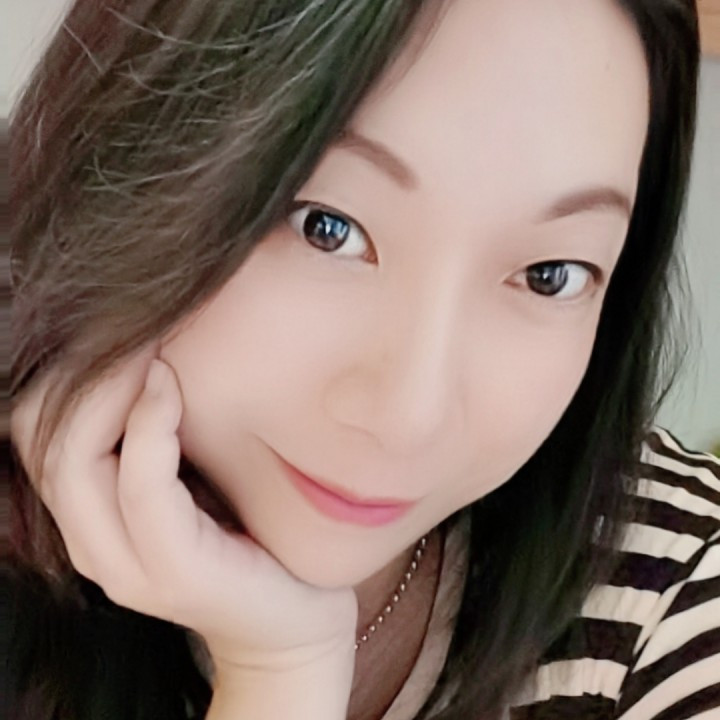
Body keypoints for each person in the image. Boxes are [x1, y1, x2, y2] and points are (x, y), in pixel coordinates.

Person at [5, 0, 719, 718]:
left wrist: (282, 670)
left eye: (549, 275)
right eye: (327, 227)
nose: (410, 417)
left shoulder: (682, 593)